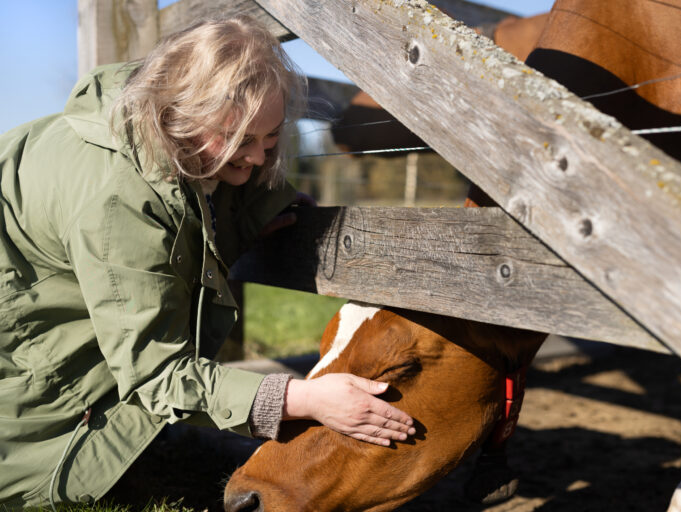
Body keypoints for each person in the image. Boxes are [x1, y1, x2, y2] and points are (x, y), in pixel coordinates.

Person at [0, 15, 416, 509]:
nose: (261, 158)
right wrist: (305, 397)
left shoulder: (151, 130)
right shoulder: (118, 200)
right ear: (183, 114)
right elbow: (157, 373)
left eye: (271, 137)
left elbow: (180, 224)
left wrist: (253, 214)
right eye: (240, 139)